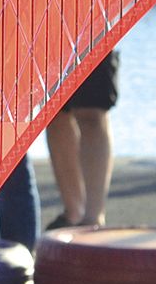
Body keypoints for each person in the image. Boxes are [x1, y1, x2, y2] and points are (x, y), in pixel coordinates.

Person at [46, 47, 117, 228]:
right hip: (45, 32)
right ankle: (73, 214)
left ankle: (93, 219)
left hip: (90, 31)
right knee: (54, 113)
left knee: (92, 112)